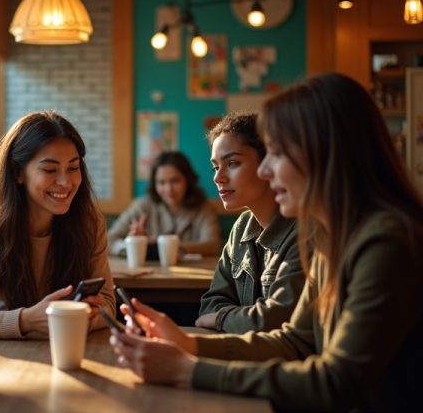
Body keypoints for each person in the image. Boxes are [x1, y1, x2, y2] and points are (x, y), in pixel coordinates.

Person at [109, 73, 423, 411]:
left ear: (322, 153)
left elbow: (337, 382)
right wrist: (186, 344)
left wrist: (189, 370)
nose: (265, 170)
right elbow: (294, 341)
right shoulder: (330, 234)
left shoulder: (387, 241)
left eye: (276, 154)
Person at [0, 110, 116, 338]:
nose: (65, 181)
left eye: (73, 167)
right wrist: (25, 320)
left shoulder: (89, 224)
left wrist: (80, 318)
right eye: (50, 169)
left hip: (70, 354)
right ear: (17, 173)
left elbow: (108, 303)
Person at [196, 112, 304, 333]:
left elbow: (274, 320)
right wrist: (231, 318)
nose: (218, 178)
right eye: (216, 167)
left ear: (269, 163)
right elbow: (210, 304)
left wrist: (221, 318)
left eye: (233, 163)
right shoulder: (242, 227)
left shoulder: (303, 230)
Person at [107, 151, 220, 259]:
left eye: (175, 181)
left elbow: (212, 245)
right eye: (161, 182)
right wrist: (134, 245)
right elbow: (109, 240)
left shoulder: (203, 207)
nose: (168, 189)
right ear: (154, 183)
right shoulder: (142, 206)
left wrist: (167, 245)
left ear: (188, 180)